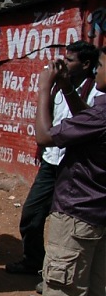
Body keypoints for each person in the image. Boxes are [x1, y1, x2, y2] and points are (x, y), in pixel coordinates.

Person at [6, 41, 101, 283]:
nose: (63, 64)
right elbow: (48, 121)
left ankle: (58, 273)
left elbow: (85, 121)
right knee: (32, 215)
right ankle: (34, 260)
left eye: (70, 60)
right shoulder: (60, 88)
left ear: (86, 64)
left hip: (75, 167)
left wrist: (58, 88)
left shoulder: (97, 91)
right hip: (51, 162)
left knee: (66, 221)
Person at [35, 46, 106, 296]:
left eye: (101, 65)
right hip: (99, 218)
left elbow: (44, 135)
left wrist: (43, 88)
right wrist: (65, 86)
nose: (97, 71)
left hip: (76, 217)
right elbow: (88, 122)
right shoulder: (100, 113)